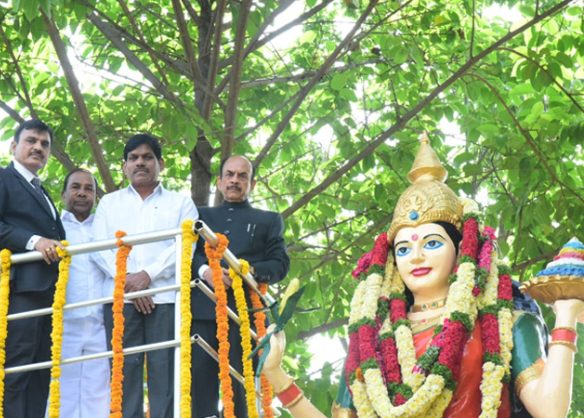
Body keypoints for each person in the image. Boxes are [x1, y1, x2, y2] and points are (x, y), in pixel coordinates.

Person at [261, 137, 584, 418]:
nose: (415, 256)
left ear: (462, 250)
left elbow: (550, 410)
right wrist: (276, 374)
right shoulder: (371, 339)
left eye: (431, 243)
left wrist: (566, 317)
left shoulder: (505, 321)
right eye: (403, 248)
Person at [92, 133, 198, 418]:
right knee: (124, 373)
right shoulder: (108, 204)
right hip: (120, 301)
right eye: (133, 158)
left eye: (147, 157)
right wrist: (131, 283)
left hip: (164, 299)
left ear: (160, 163)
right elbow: (98, 249)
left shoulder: (181, 204)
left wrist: (147, 276)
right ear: (124, 165)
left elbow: (184, 247)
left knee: (165, 372)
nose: (140, 162)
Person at [0, 119, 65, 417]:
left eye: (44, 144)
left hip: (48, 296)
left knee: (39, 374)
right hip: (19, 291)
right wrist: (35, 241)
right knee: (15, 374)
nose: (38, 147)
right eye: (31, 141)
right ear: (14, 146)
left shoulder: (42, 190)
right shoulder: (0, 177)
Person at [191, 155, 290, 418]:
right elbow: (186, 254)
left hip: (245, 315)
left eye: (242, 176)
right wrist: (207, 272)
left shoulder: (268, 219)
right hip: (202, 312)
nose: (235, 180)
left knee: (242, 392)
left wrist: (247, 272)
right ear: (220, 181)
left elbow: (280, 264)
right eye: (230, 175)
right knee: (198, 391)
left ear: (252, 183)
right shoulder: (199, 215)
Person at [57, 169, 110, 417]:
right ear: (64, 193)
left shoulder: (105, 226)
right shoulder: (53, 227)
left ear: (96, 196)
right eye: (76, 187)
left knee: (98, 394)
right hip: (63, 323)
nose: (82, 193)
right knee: (60, 391)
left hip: (100, 320)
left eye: (89, 189)